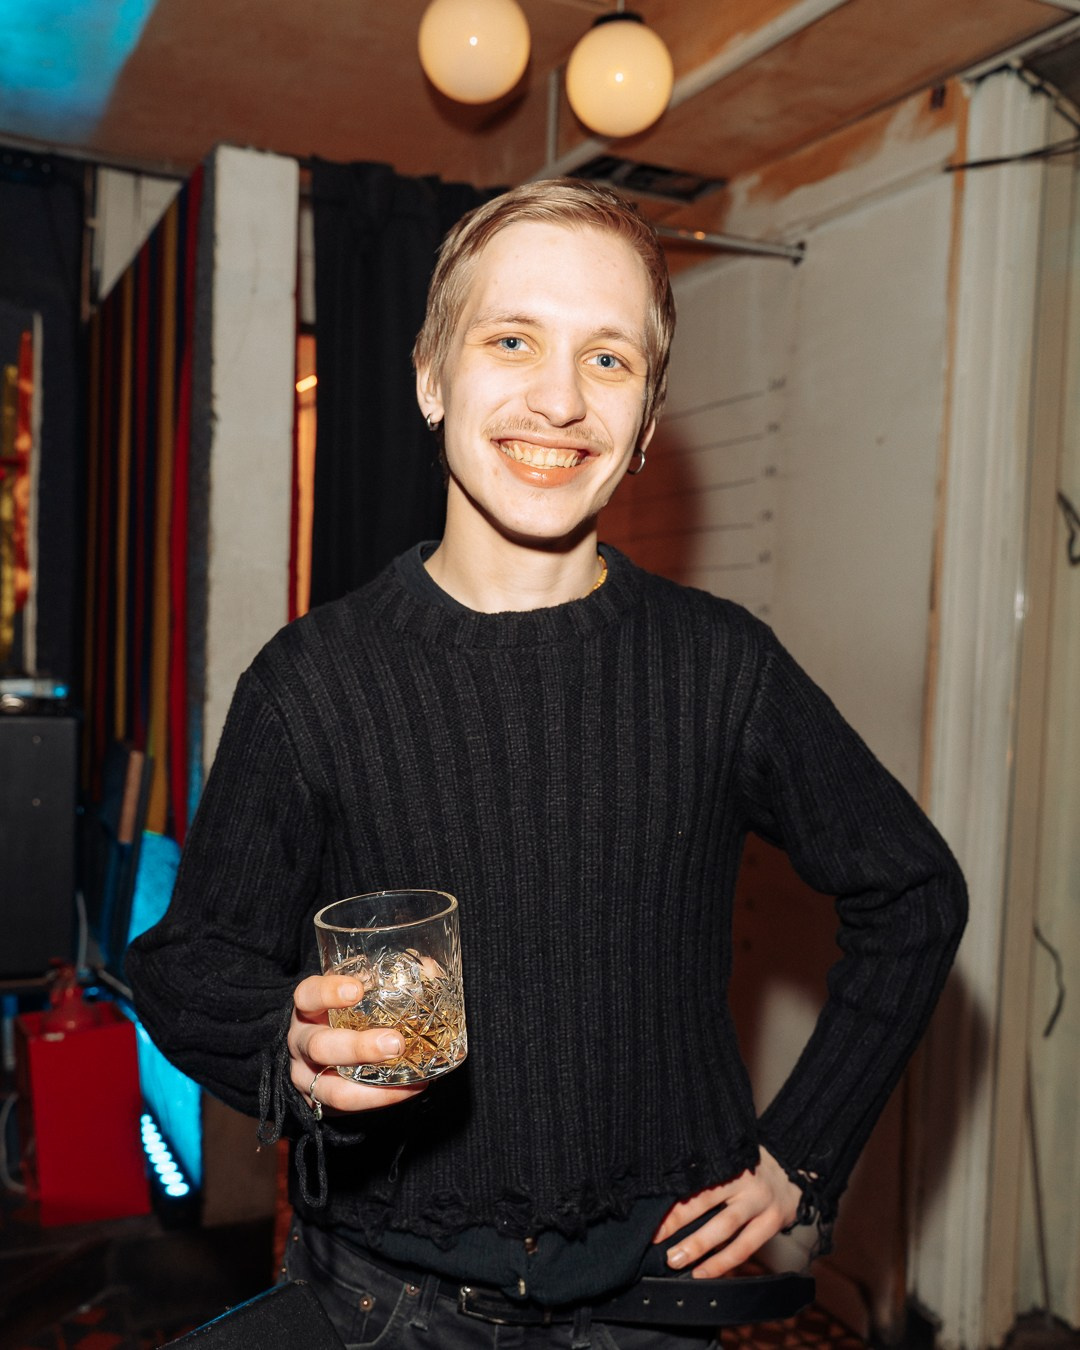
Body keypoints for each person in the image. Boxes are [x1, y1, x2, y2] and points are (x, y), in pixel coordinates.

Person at [127, 179, 967, 1349]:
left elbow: (914, 893)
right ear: (432, 375)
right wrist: (291, 1046)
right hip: (382, 1307)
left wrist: (801, 1155)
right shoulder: (313, 682)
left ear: (647, 418)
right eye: (513, 339)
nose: (560, 399)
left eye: (609, 359)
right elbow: (188, 964)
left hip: (652, 1313)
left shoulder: (721, 668)